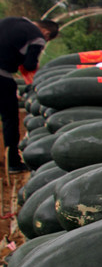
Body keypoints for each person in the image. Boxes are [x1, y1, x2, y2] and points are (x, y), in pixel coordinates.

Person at [0, 17, 59, 172]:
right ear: (46, 33)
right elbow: (29, 65)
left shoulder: (14, 21)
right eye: (47, 39)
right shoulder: (37, 38)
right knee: (10, 119)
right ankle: (13, 163)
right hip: (1, 76)